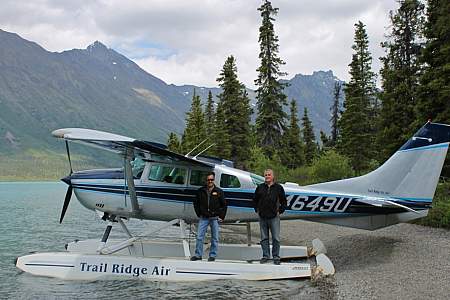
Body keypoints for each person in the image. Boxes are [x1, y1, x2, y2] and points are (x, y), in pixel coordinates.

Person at [253, 169, 287, 265]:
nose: (267, 176)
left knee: (276, 238)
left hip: (274, 217)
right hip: (262, 217)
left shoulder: (278, 188)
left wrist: (280, 211)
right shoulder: (260, 187)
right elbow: (254, 200)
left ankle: (276, 256)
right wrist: (257, 210)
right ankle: (265, 256)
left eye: (269, 175)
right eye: (265, 175)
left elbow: (284, 201)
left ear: (273, 176)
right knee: (264, 238)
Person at [191, 172, 227, 262]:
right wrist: (198, 213)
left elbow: (224, 205)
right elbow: (195, 203)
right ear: (206, 180)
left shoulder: (219, 191)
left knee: (215, 238)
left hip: (214, 218)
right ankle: (198, 255)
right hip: (203, 217)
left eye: (211, 180)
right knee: (199, 237)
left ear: (214, 180)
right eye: (208, 180)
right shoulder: (200, 191)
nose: (210, 181)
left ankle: (212, 255)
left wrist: (222, 216)